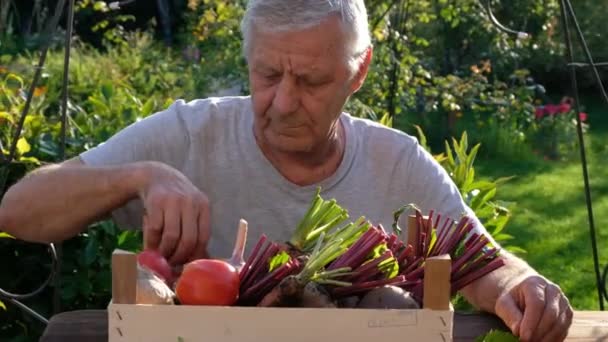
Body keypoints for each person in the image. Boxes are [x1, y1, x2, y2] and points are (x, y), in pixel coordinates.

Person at [0, 0, 572, 340]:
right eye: (267, 74)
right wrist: (136, 177)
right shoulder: (187, 135)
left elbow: (481, 262)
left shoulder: (395, 161)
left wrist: (519, 288)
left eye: (313, 81)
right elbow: (19, 211)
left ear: (359, 71)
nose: (282, 102)